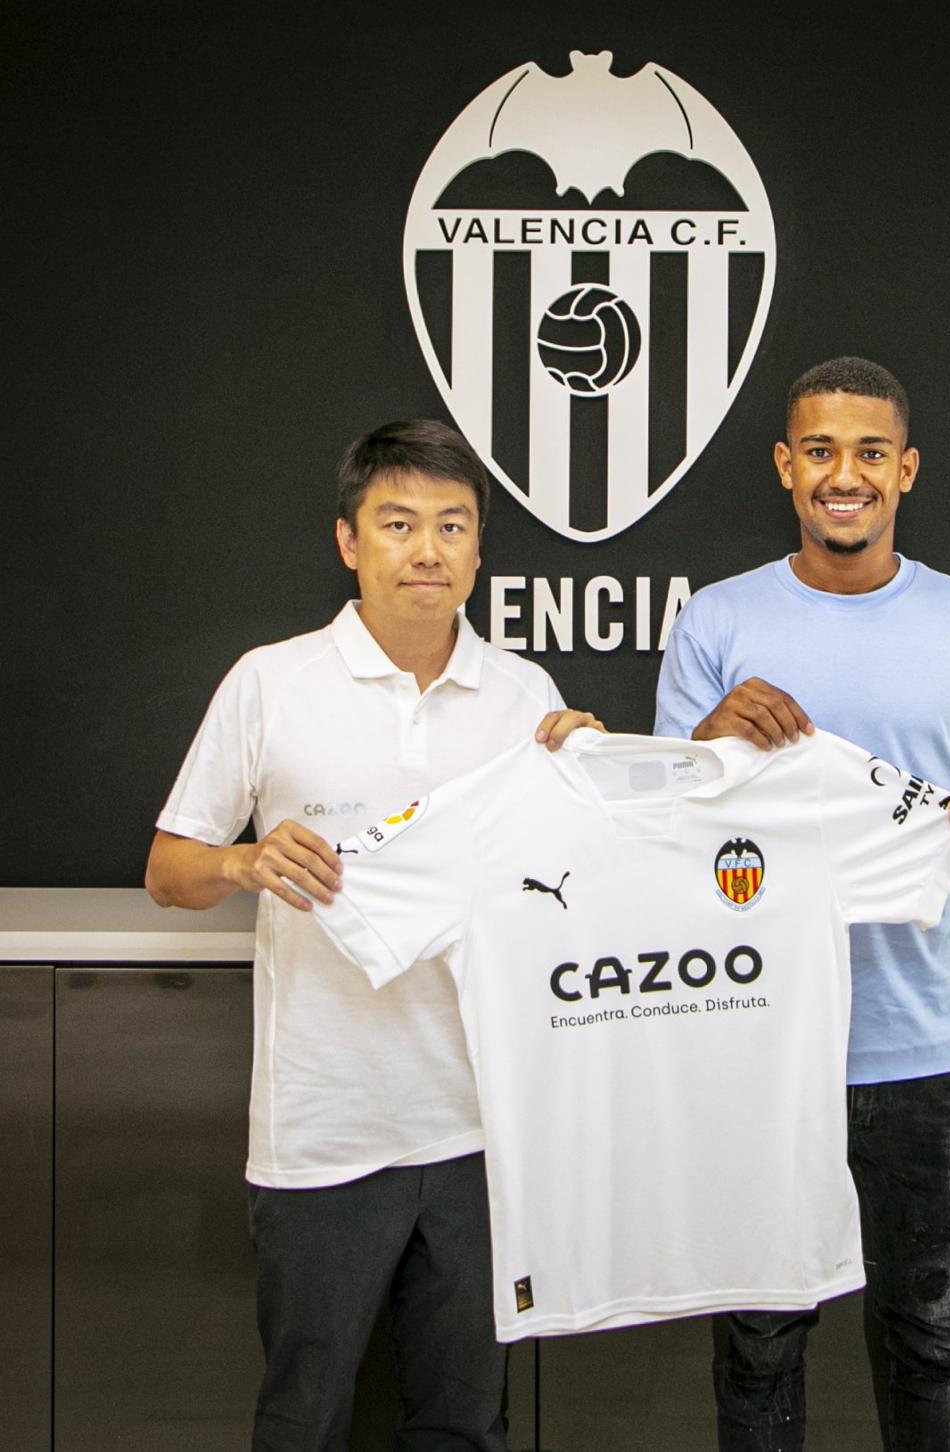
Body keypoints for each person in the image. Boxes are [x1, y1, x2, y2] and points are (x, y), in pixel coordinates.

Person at [145, 419, 599, 1452]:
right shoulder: (270, 681)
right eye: (398, 524)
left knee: (465, 1422)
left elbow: (576, 887)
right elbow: (169, 868)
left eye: (452, 526)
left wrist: (595, 774)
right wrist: (241, 863)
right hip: (324, 1132)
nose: (427, 550)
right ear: (349, 541)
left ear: (481, 553)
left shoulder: (526, 696)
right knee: (305, 1418)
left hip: (483, 1129)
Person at [654, 357, 950, 1452]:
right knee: (755, 1354)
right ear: (788, 467)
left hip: (927, 1056)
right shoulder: (717, 623)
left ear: (908, 471)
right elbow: (657, 831)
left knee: (933, 1348)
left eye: (872, 453)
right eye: (824, 451)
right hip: (754, 1047)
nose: (848, 475)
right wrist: (704, 746)